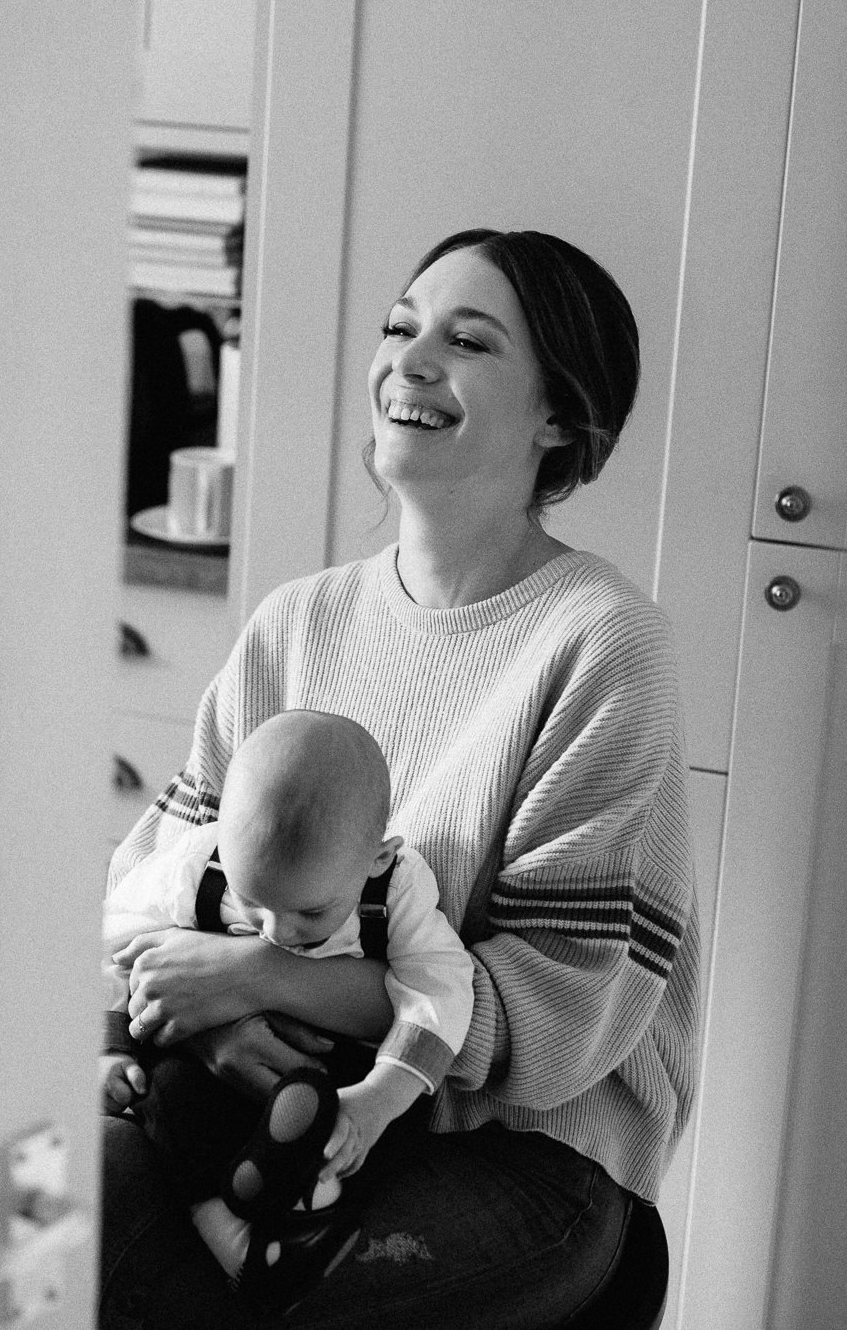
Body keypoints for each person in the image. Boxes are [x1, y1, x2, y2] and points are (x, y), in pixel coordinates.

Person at [102, 228, 700, 1328]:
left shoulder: (600, 646)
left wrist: (256, 980)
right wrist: (214, 1019)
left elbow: (553, 1027)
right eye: (398, 327)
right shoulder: (296, 626)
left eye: (466, 341)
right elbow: (147, 887)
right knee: (46, 1204)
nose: (409, 362)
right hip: (254, 1103)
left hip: (522, 1154)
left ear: (559, 419)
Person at [101, 710, 473, 1314]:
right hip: (211, 1068)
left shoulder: (398, 889)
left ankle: (308, 1199)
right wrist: (113, 1042)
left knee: (394, 1125)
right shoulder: (199, 863)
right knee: (167, 1096)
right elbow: (114, 937)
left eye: (310, 914)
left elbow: (444, 988)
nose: (274, 933)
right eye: (253, 904)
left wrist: (379, 1097)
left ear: (377, 860)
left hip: (341, 1080)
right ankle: (237, 1229)